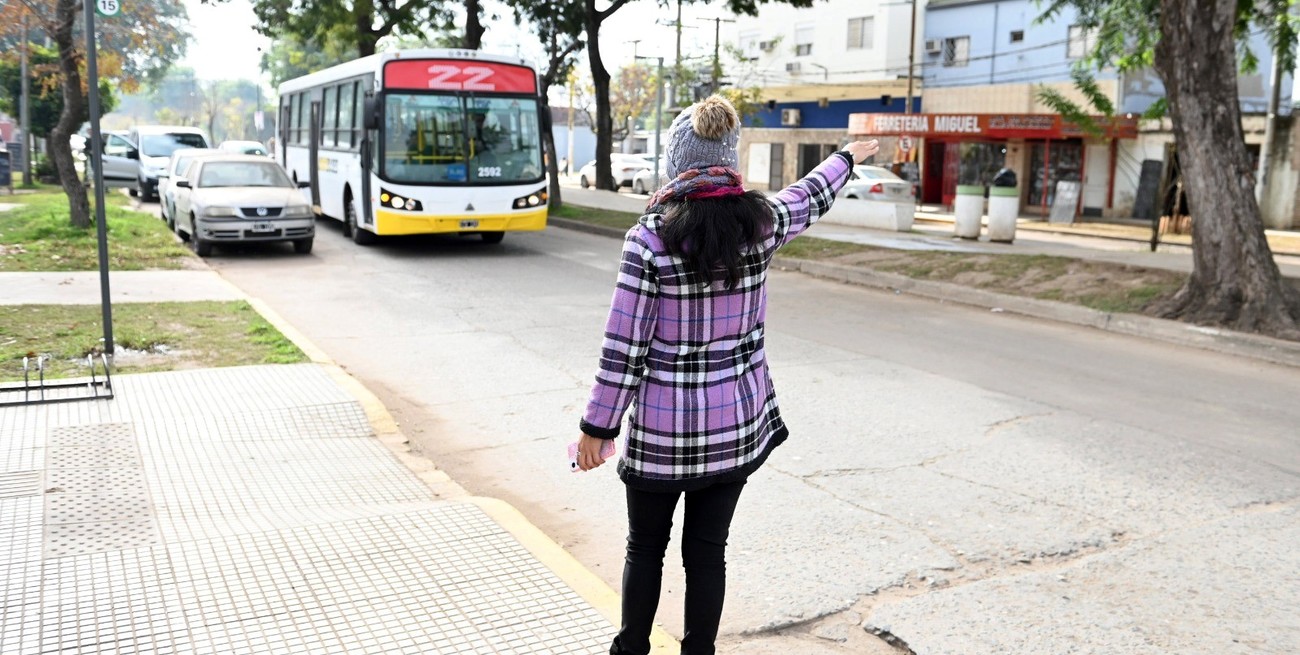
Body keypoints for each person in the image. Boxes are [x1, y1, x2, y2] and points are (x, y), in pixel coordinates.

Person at [575, 95, 878, 655]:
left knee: (645, 547)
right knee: (708, 551)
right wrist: (846, 157)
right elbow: (807, 197)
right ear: (729, 159)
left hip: (663, 438)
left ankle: (631, 650)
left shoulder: (649, 241)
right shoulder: (760, 227)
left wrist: (598, 428)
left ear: (676, 163)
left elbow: (623, 348)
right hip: (734, 431)